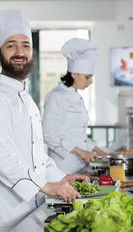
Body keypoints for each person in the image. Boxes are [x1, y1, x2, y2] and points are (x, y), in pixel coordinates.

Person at [0, 10, 89, 232]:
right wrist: (46, 186)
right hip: (5, 216)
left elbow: (35, 154)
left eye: (25, 45)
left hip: (26, 211)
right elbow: (0, 157)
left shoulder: (24, 97)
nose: (20, 52)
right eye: (11, 46)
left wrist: (60, 178)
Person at [42, 38, 110, 175]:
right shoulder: (56, 96)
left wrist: (102, 152)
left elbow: (79, 134)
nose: (90, 82)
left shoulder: (76, 97)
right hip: (63, 167)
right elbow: (47, 134)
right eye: (87, 77)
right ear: (74, 74)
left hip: (79, 165)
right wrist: (80, 151)